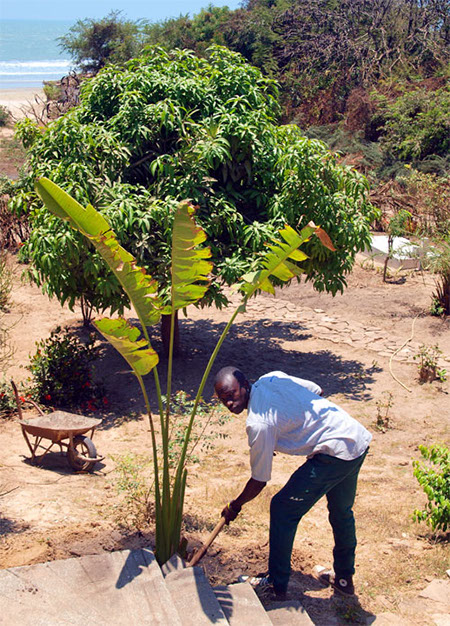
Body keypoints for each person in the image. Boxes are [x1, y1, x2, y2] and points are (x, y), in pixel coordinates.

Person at [214, 366, 372, 599]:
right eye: (222, 399)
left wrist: (235, 506)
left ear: (245, 385)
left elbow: (259, 481)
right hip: (355, 438)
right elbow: (316, 391)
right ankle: (344, 579)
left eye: (232, 394)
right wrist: (283, 431)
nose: (228, 403)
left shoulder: (259, 423)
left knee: (282, 508)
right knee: (341, 511)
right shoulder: (271, 378)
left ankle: (275, 585)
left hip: (335, 452)